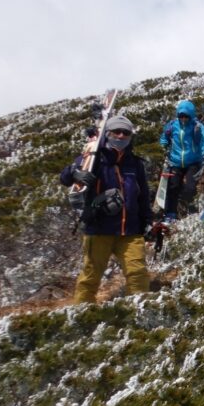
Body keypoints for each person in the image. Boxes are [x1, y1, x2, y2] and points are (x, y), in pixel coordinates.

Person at [60, 114, 152, 303]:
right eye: (116, 132)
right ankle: (81, 314)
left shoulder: (135, 164)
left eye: (125, 133)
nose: (120, 136)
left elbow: (143, 197)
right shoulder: (94, 159)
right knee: (90, 278)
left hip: (130, 231)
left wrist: (148, 222)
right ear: (107, 133)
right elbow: (66, 178)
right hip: (99, 229)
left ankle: (139, 310)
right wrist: (74, 172)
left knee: (138, 273)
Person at [159, 99, 204, 219]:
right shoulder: (172, 125)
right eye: (181, 116)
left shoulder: (197, 126)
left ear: (191, 115)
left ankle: (190, 210)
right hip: (175, 161)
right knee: (173, 187)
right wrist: (163, 148)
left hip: (193, 162)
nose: (183, 119)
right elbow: (164, 138)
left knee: (190, 187)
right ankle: (170, 214)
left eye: (186, 116)